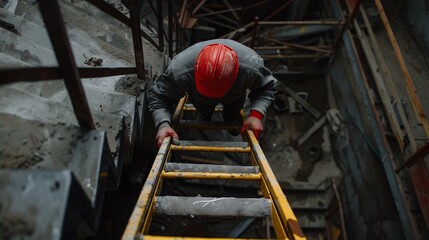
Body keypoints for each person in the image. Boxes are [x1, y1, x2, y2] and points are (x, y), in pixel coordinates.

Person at [147, 39, 278, 148]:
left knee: (233, 110)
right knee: (204, 109)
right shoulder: (179, 71)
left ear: (236, 74)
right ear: (196, 69)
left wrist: (256, 115)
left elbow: (266, 87)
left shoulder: (252, 67)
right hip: (201, 100)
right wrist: (163, 125)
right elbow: (159, 97)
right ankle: (204, 118)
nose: (214, 96)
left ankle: (231, 120)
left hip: (234, 98)